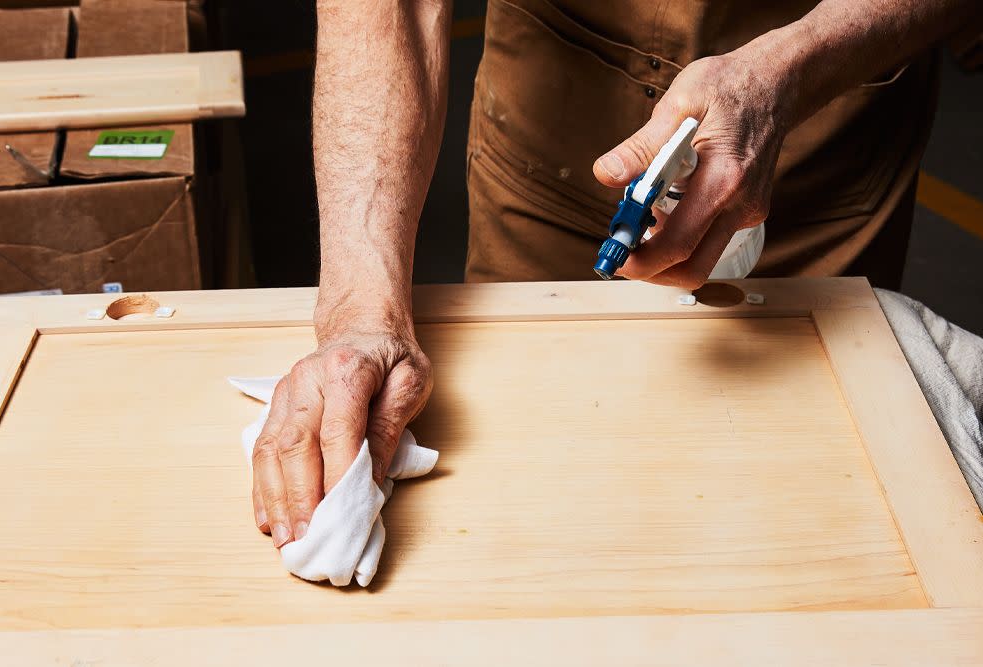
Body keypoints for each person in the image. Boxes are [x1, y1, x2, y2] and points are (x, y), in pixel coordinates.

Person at [250, 0, 980, 547]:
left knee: (814, 515)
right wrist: (360, 310)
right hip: (552, 130)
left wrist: (796, 68)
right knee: (527, 505)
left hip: (824, 127)